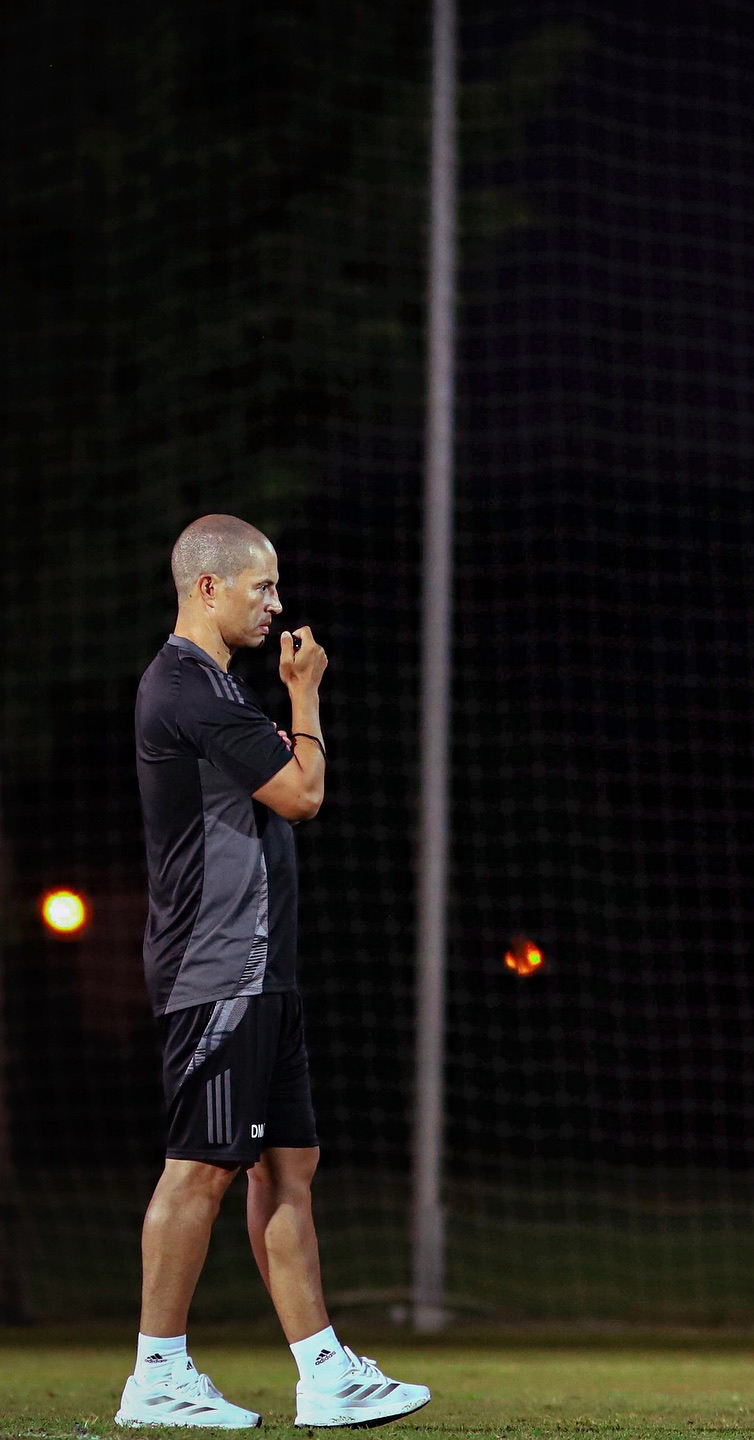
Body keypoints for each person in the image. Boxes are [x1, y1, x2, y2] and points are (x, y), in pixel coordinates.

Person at [118, 514, 429, 1430]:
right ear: (208, 587)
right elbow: (302, 793)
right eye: (263, 587)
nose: (276, 603)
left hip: (264, 970)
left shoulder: (217, 684)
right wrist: (305, 695)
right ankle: (157, 1375)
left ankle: (324, 1372)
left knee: (288, 1165)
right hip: (218, 966)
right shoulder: (188, 687)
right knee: (200, 1169)